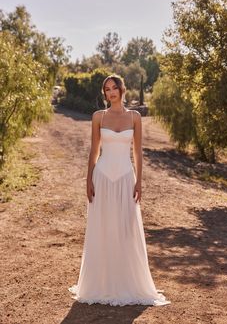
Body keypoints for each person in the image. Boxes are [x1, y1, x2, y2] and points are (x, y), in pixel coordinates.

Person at [68, 74, 171, 306]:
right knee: (102, 228)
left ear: (122, 89)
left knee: (126, 229)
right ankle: (101, 284)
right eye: (107, 89)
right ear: (104, 93)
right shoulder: (98, 117)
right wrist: (88, 180)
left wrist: (139, 181)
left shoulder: (134, 117)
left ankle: (128, 283)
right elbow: (94, 151)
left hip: (126, 178)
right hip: (102, 178)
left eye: (114, 88)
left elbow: (137, 153)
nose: (111, 92)